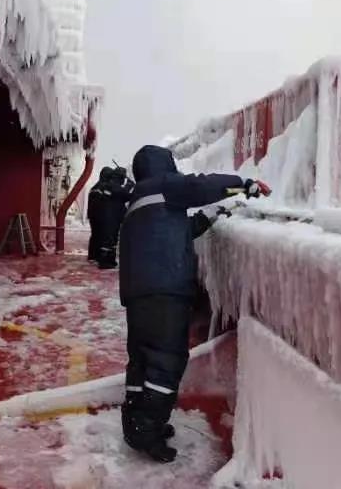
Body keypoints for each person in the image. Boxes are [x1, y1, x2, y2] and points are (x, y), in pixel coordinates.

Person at [118, 145, 270, 463]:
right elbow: (201, 185)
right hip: (165, 290)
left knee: (142, 360)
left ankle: (135, 422)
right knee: (165, 360)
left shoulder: (138, 201)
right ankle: (148, 430)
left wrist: (214, 214)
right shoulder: (165, 186)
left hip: (139, 294)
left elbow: (180, 231)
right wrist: (244, 184)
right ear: (163, 166)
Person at [87, 167, 134, 268]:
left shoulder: (102, 186)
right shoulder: (110, 186)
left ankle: (101, 258)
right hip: (109, 217)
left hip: (104, 217)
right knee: (108, 240)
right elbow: (122, 193)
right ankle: (104, 262)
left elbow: (122, 197)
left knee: (103, 238)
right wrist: (129, 186)